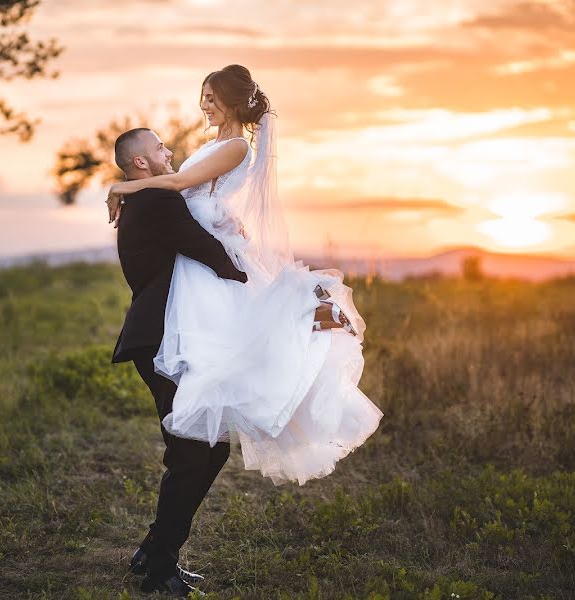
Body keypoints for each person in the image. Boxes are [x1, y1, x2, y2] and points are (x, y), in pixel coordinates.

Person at [108, 65, 383, 487]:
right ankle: (192, 445)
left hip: (202, 254)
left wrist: (121, 187)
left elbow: (180, 183)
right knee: (216, 345)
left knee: (236, 337)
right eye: (202, 97)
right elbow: (197, 192)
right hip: (195, 251)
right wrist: (221, 218)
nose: (204, 105)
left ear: (234, 102)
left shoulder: (237, 146)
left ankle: (310, 318)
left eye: (212, 98)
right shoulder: (213, 144)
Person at [110, 127, 247, 596]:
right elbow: (204, 248)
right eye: (160, 148)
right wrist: (252, 277)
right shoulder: (156, 200)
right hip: (161, 342)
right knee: (194, 452)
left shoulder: (140, 199)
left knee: (205, 448)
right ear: (141, 164)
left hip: (163, 340)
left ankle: (153, 550)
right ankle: (159, 569)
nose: (170, 152)